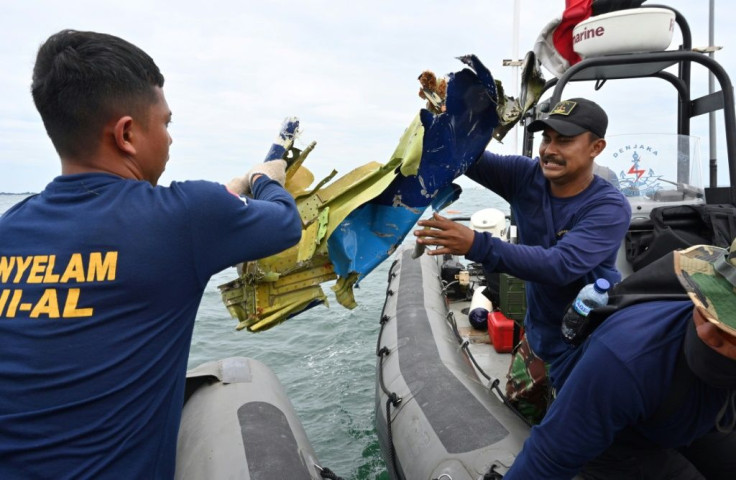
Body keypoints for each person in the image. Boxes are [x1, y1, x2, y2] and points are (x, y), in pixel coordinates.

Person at [0, 30, 301, 478]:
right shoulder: (187, 218)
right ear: (126, 134)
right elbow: (284, 221)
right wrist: (263, 176)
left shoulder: (11, 228)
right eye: (166, 123)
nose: (171, 139)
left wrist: (230, 192)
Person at [414, 98, 631, 422]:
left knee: (569, 438)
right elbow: (466, 158)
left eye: (566, 140)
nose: (550, 149)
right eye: (547, 138)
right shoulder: (526, 176)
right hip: (539, 335)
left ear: (595, 147)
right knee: (518, 418)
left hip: (588, 345)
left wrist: (475, 243)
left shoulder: (608, 207)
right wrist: (446, 114)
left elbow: (559, 265)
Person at [503, 242, 736, 479]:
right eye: (708, 305)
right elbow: (548, 457)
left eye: (729, 326)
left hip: (705, 414)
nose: (706, 331)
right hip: (618, 443)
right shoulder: (625, 355)